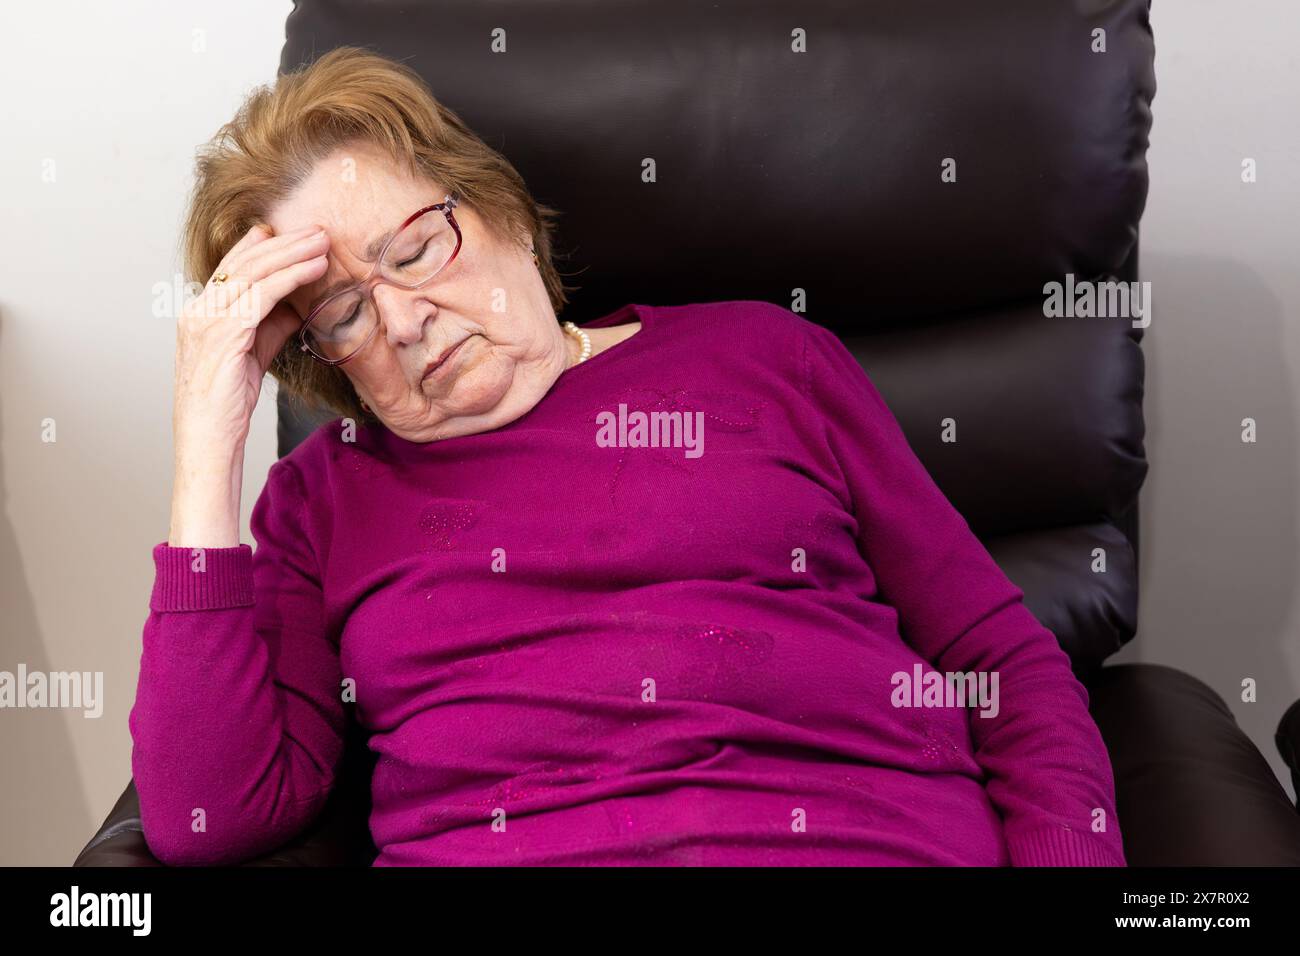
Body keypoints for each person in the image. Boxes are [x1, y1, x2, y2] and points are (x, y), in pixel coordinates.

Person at [130, 47, 1125, 866]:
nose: (400, 320)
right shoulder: (322, 498)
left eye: (412, 250)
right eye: (340, 313)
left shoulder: (766, 358)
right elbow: (208, 814)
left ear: (503, 214)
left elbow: (999, 659)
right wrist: (204, 444)